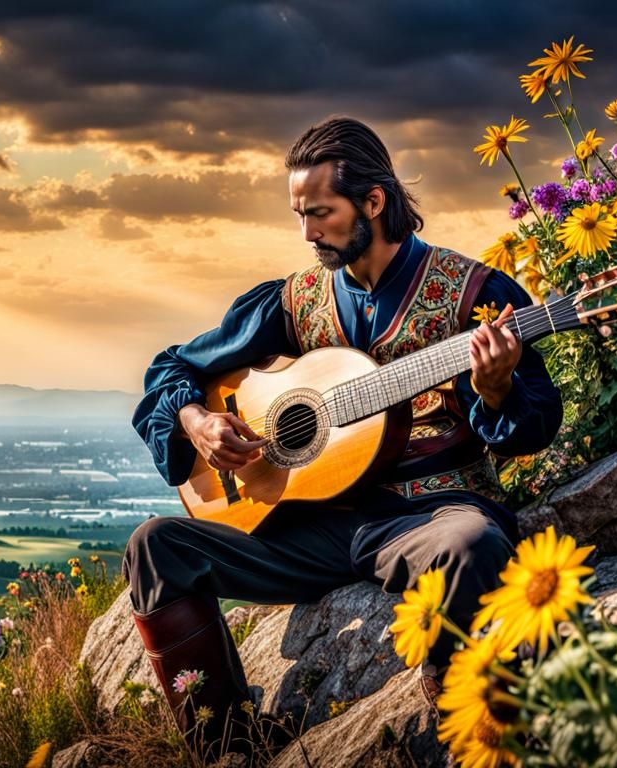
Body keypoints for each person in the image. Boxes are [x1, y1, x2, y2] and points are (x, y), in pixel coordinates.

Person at [123, 116, 564, 759]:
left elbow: (536, 425)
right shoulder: (294, 300)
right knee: (155, 549)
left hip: (427, 513)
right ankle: (228, 744)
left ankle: (466, 740)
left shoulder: (474, 295)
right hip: (317, 522)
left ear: (374, 202)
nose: (307, 232)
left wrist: (495, 389)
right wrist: (199, 421)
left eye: (321, 212)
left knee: (470, 546)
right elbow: (174, 368)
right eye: (299, 214)